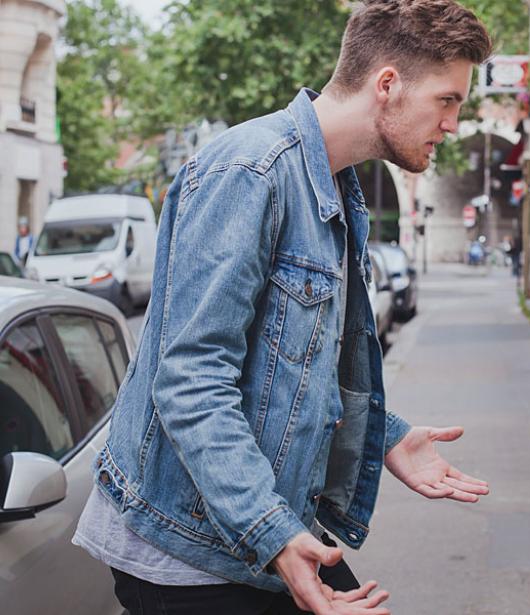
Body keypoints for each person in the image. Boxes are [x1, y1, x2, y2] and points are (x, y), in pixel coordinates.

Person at [72, 2, 492, 614]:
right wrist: (274, 534)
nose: (453, 122)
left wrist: (384, 436)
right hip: (186, 551)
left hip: (254, 523)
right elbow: (190, 381)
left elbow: (293, 368)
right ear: (387, 85)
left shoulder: (333, 182)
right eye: (448, 99)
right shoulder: (250, 171)